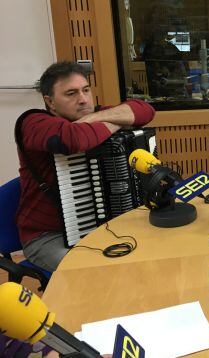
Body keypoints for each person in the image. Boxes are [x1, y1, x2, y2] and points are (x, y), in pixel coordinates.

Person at [15, 61, 155, 272]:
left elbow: (145, 111)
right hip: (48, 237)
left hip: (103, 228)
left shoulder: (95, 115)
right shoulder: (33, 123)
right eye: (71, 93)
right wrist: (119, 120)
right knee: (98, 273)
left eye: (86, 90)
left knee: (151, 257)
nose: (82, 99)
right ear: (50, 102)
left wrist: (95, 117)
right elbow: (73, 139)